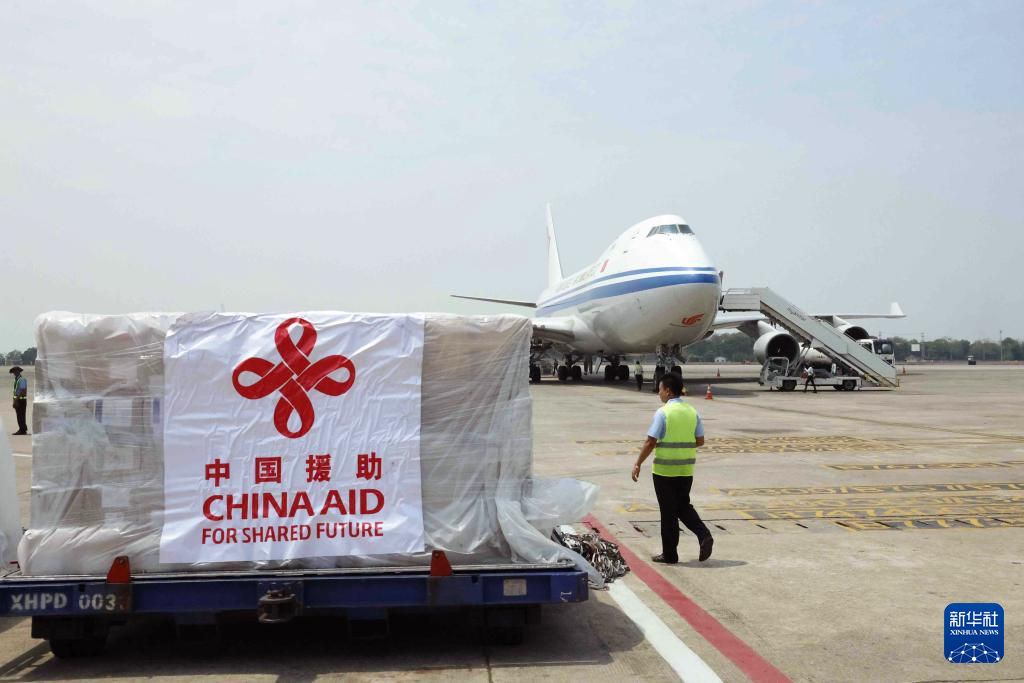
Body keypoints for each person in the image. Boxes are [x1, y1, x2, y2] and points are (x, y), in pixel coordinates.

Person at [631, 372, 713, 564]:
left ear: (668, 391)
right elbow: (700, 441)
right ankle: (704, 535)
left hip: (665, 471)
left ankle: (670, 554)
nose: (658, 393)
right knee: (682, 506)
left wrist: (638, 463)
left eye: (659, 389)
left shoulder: (663, 413)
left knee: (668, 512)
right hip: (686, 470)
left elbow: (650, 441)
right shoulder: (692, 411)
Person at [10, 366, 28, 435]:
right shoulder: (16, 380)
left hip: (21, 401)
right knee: (19, 415)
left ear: (19, 371)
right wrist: (14, 401)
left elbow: (23, 391)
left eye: (15, 371)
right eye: (13, 372)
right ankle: (23, 429)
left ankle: (22, 430)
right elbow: (15, 392)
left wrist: (16, 400)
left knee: (21, 416)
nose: (14, 373)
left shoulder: (22, 380)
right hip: (18, 400)